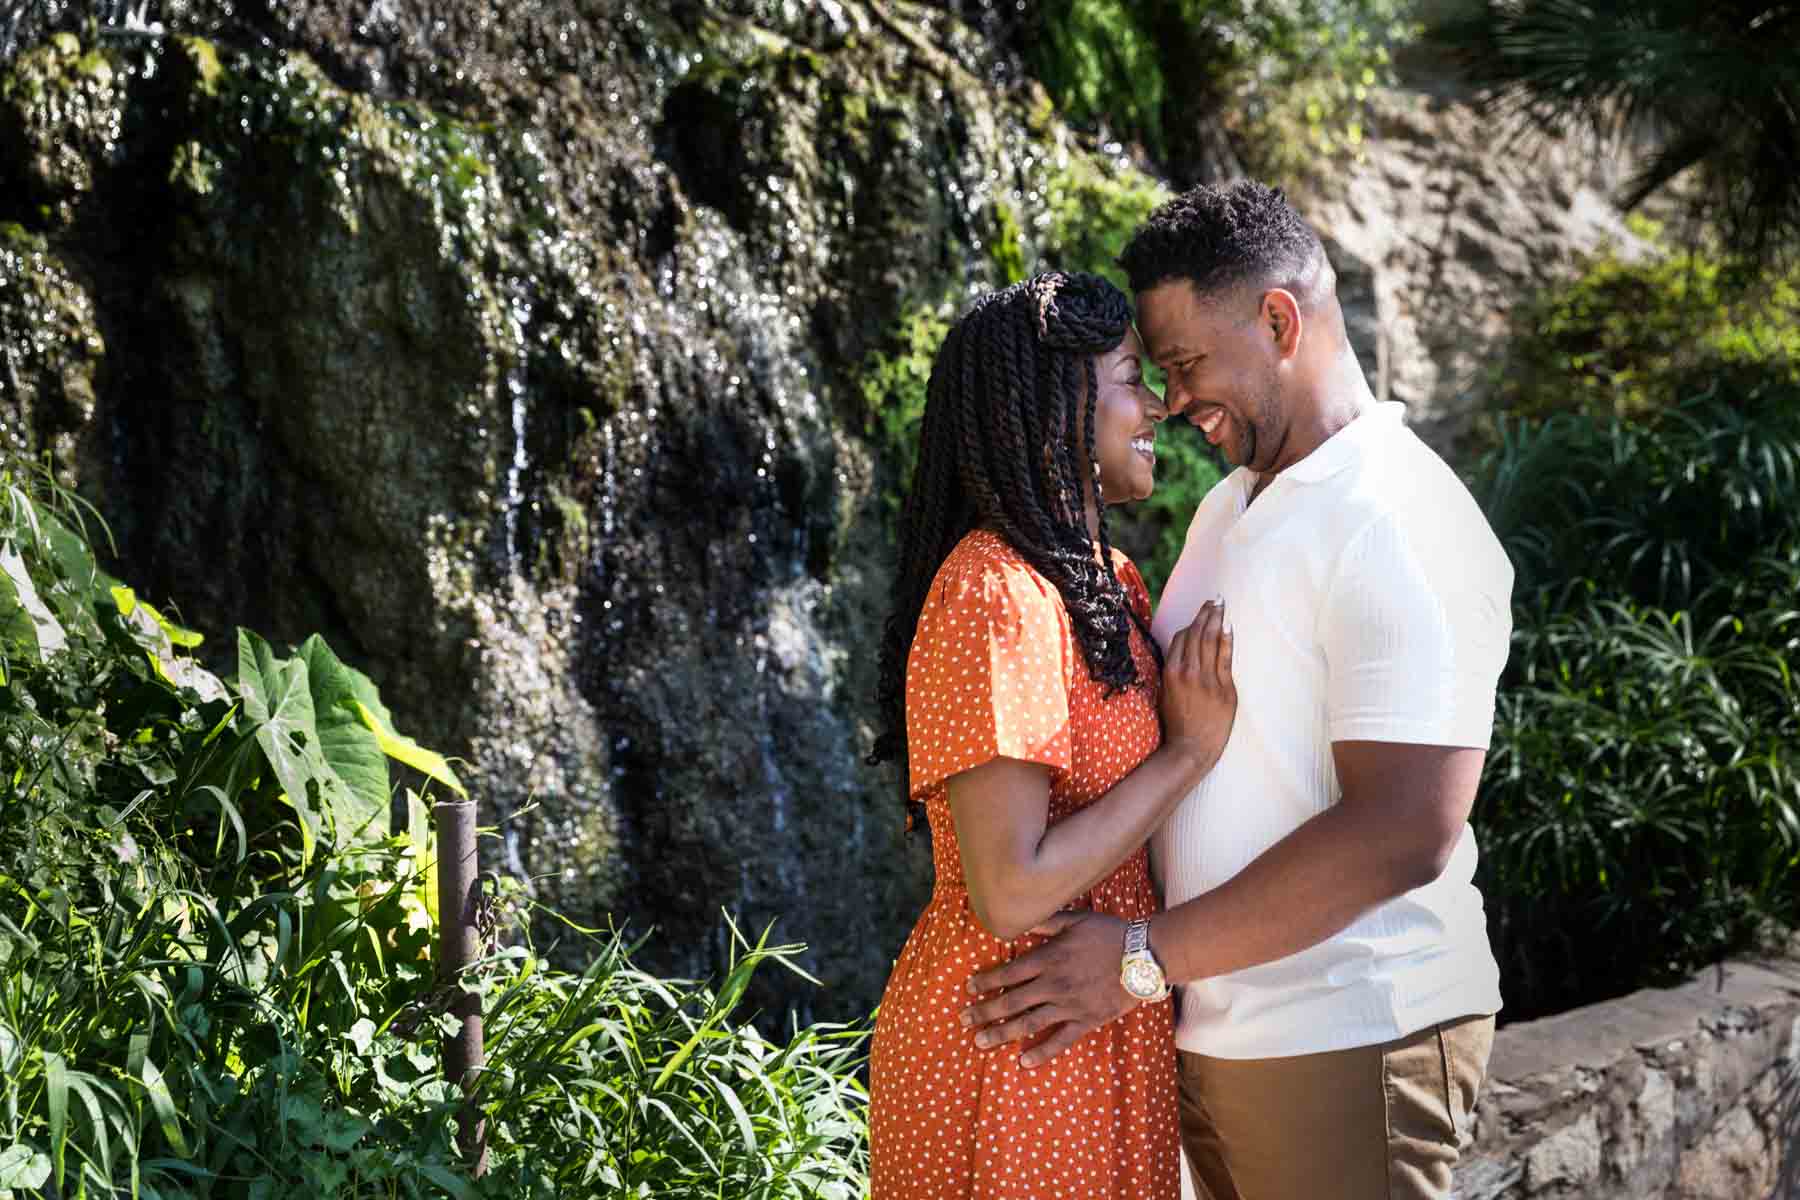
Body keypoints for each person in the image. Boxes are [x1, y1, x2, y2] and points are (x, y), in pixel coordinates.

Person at [959, 183, 1516, 1200]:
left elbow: (1405, 830)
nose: (1170, 402)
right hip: (1216, 1035)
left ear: (1278, 319)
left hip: (1353, 1034)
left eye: (1184, 365)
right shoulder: (1230, 506)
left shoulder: (1397, 516)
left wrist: (1137, 959)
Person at [865, 270, 1238, 1200]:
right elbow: (1010, 888)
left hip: (1098, 1019)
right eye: (1126, 377)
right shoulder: (996, 592)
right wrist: (1187, 754)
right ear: (1053, 407)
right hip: (1009, 1043)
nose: (1155, 403)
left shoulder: (1109, 585)